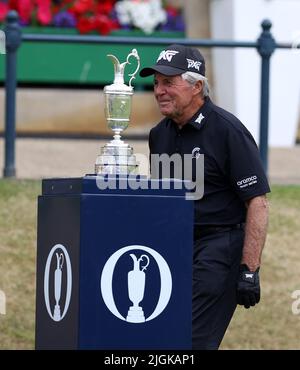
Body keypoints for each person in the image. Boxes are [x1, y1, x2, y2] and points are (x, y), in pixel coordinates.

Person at [139, 44, 270, 350]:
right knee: (161, 337)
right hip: (173, 250)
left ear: (197, 86)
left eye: (169, 83)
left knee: (189, 343)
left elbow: (258, 202)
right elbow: (162, 200)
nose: (159, 91)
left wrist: (249, 269)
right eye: (156, 83)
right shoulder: (159, 135)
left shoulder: (228, 131)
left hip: (219, 248)